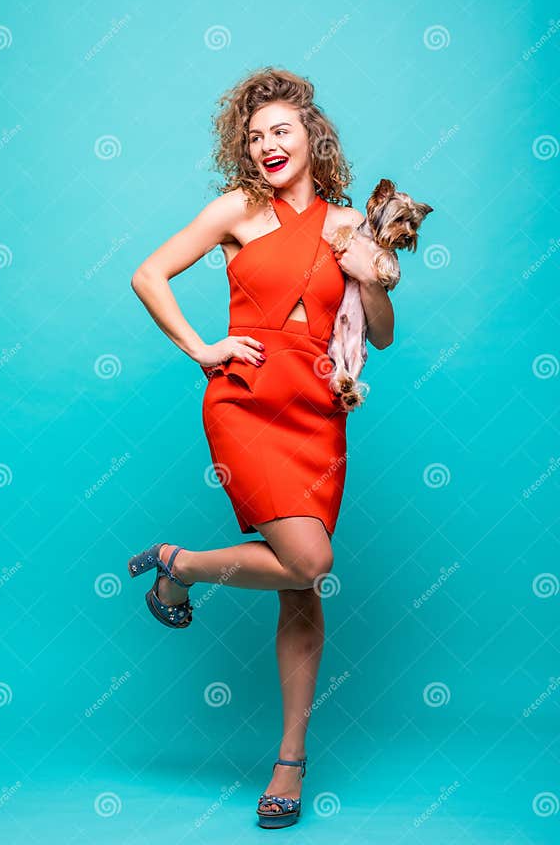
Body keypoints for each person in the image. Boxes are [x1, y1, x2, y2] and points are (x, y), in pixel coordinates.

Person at [129, 66, 394, 828]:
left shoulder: (352, 224)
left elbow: (379, 333)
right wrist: (200, 347)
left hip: (319, 414)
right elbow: (149, 274)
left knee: (299, 588)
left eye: (280, 129)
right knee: (310, 559)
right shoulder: (240, 208)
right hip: (245, 405)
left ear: (313, 136)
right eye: (254, 136)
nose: (268, 144)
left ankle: (289, 760)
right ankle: (179, 566)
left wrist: (367, 277)